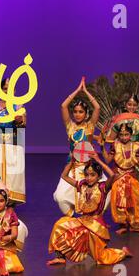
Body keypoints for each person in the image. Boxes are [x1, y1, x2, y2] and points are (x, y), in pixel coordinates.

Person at [47, 154, 133, 266]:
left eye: (92, 175)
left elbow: (113, 175)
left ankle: (122, 252)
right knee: (60, 224)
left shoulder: (103, 187)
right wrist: (72, 162)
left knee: (101, 259)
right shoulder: (82, 185)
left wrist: (98, 160)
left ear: (98, 176)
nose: (88, 178)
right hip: (83, 222)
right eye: (86, 175)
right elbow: (64, 176)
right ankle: (60, 257)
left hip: (96, 226)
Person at [53, 77, 106, 217]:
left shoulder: (90, 126)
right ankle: (72, 218)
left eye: (81, 111)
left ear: (86, 113)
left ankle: (91, 216)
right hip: (72, 165)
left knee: (100, 194)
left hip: (89, 166)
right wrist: (77, 91)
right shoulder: (70, 126)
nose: (77, 114)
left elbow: (97, 107)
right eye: (75, 111)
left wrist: (85, 91)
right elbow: (64, 106)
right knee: (60, 196)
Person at [102, 123, 139, 234]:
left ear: (130, 135)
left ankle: (135, 223)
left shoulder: (136, 146)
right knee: (118, 198)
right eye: (121, 134)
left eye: (126, 134)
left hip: (132, 175)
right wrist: (102, 147)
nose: (124, 137)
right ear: (118, 135)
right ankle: (123, 224)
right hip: (119, 176)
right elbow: (107, 160)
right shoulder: (114, 145)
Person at [0, 78, 27, 205]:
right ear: (0, 90)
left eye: (10, 89)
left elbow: (24, 124)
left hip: (14, 142)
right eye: (5, 88)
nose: (7, 91)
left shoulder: (19, 106)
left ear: (14, 90)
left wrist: (19, 120)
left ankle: (11, 202)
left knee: (13, 171)